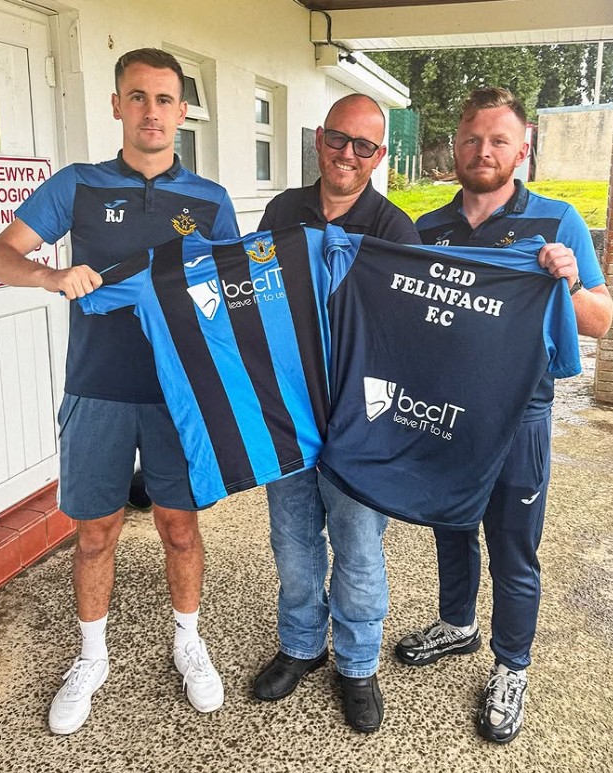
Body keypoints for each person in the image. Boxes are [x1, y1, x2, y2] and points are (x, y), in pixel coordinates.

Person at [0, 48, 239, 735]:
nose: (150, 112)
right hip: (96, 391)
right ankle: (90, 655)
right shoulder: (79, 185)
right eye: (137, 97)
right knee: (93, 534)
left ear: (182, 112)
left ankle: (188, 639)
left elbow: (234, 297)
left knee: (179, 527)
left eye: (163, 99)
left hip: (177, 396)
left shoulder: (209, 202)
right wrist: (51, 277)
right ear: (117, 105)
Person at [395, 87, 612, 744]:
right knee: (449, 524)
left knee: (513, 549)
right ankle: (457, 624)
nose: (481, 151)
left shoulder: (556, 221)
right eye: (470, 138)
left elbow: (600, 320)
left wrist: (567, 282)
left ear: (523, 148)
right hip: (444, 411)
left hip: (519, 417)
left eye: (497, 140)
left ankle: (511, 665)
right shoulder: (425, 228)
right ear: (453, 147)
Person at [253, 93, 421, 733]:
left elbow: (409, 336)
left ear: (380, 156)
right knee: (292, 540)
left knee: (357, 549)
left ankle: (357, 664)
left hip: (359, 420)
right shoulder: (281, 211)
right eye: (337, 138)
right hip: (288, 412)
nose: (347, 154)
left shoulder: (394, 230)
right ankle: (301, 645)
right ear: (319, 138)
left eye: (364, 145)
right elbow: (253, 302)